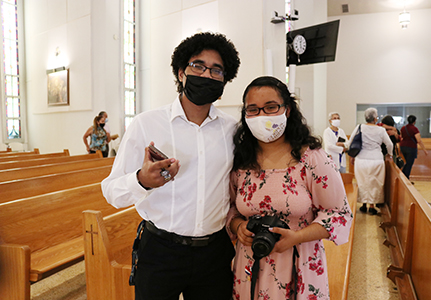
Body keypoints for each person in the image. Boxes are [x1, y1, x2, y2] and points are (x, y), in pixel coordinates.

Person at [101, 32, 240, 300]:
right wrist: (142, 180)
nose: (207, 75)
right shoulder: (146, 124)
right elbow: (111, 192)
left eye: (216, 70)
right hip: (161, 250)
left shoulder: (232, 129)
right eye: (198, 66)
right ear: (180, 73)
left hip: (214, 252)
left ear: (225, 79)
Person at [227, 76, 353, 300]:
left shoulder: (311, 158)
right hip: (250, 264)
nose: (262, 116)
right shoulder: (241, 162)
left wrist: (298, 236)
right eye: (253, 110)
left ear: (287, 110)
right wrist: (238, 227)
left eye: (271, 107)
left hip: (299, 262)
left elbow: (338, 214)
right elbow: (232, 211)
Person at [348, 108, 393, 215]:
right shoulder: (381, 130)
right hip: (376, 160)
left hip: (361, 159)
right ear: (375, 118)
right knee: (375, 183)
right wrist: (389, 154)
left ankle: (363, 205)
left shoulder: (360, 127)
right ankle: (372, 206)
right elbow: (389, 144)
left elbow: (350, 142)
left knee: (362, 182)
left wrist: (352, 156)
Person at [400, 115, 428, 180]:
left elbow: (401, 137)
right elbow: (418, 140)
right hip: (411, 147)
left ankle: (403, 177)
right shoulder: (414, 129)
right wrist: (424, 150)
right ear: (414, 121)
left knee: (406, 163)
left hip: (403, 147)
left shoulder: (403, 128)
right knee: (409, 164)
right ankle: (405, 178)